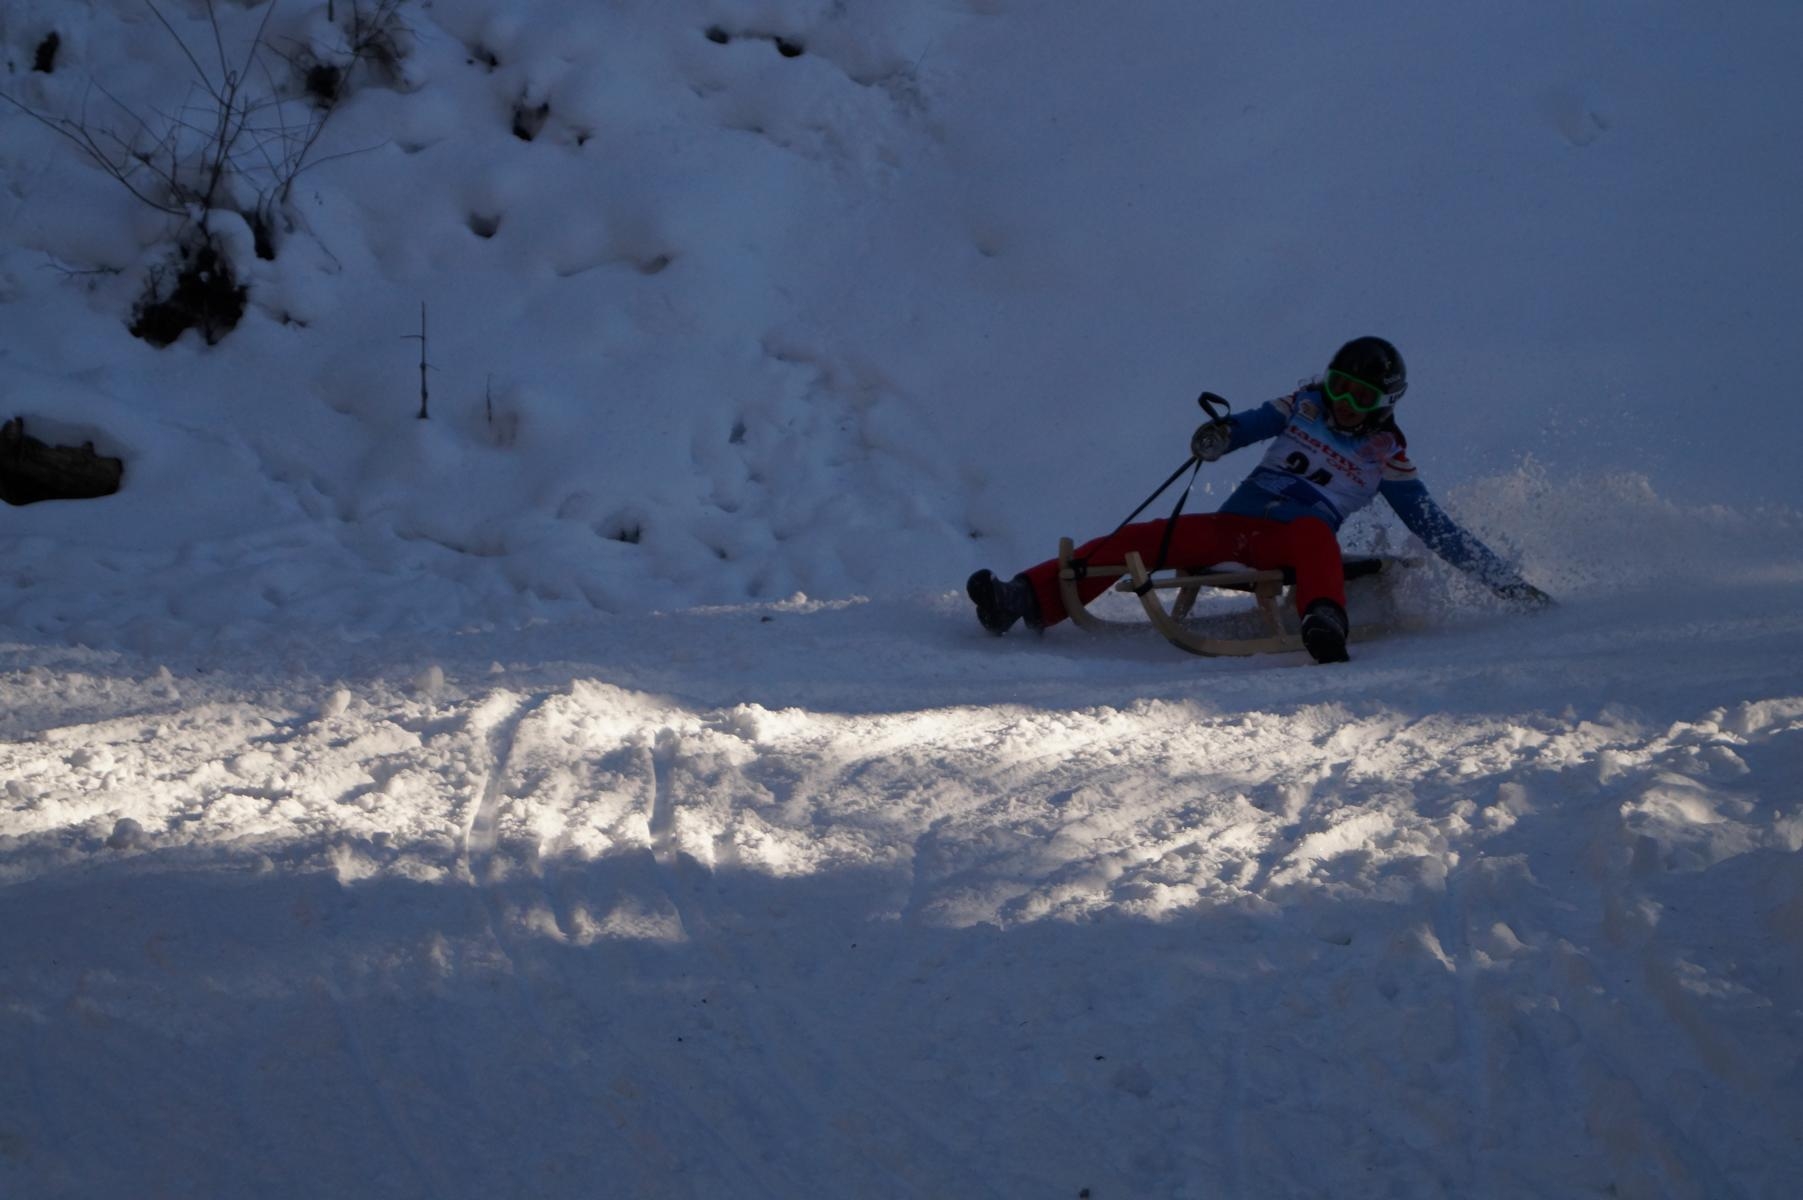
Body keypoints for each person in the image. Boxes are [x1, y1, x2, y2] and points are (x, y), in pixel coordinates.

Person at [966, 336, 1553, 663]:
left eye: (1361, 396)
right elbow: (1246, 425)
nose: (1345, 404)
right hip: (1234, 528)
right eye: (1340, 387)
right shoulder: (1303, 405)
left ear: (1385, 403)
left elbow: (1435, 527)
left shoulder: (1387, 456)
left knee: (1316, 536)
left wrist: (1505, 584)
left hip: (1289, 542)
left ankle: (1324, 618)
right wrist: (1218, 437)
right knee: (1139, 538)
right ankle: (1024, 597)